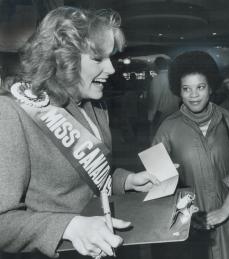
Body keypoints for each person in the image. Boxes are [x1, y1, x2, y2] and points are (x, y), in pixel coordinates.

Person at [0, 6, 158, 259]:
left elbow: (86, 183)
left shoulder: (94, 105)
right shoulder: (12, 112)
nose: (112, 69)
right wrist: (70, 226)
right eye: (97, 59)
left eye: (111, 57)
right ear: (62, 59)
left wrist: (124, 181)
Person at [151, 51, 229, 259]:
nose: (194, 95)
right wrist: (185, 216)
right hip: (189, 228)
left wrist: (226, 209)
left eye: (200, 87)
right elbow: (156, 185)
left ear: (210, 88)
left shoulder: (228, 121)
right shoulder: (166, 128)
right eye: (187, 89)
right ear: (179, 91)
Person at [147, 56, 180, 137]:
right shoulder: (175, 78)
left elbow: (155, 98)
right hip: (175, 111)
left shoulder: (157, 79)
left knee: (158, 137)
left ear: (156, 66)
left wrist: (151, 117)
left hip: (161, 114)